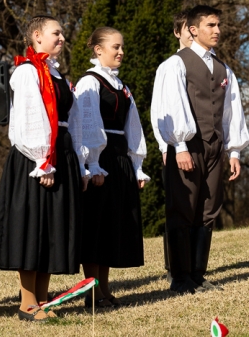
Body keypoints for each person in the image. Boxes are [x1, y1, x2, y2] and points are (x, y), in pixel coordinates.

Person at [0, 15, 88, 322]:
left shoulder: (57, 75)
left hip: (60, 153)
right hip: (36, 159)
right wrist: (41, 161)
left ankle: (44, 298)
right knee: (31, 227)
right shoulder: (27, 72)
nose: (61, 37)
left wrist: (80, 162)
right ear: (36, 35)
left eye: (62, 33)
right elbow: (31, 117)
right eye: (55, 33)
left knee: (52, 227)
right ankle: (27, 302)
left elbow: (71, 120)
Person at [152, 5, 249, 294]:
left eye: (218, 25)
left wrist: (234, 151)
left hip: (214, 147)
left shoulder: (223, 68)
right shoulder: (175, 64)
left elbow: (232, 111)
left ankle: (197, 274)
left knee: (208, 209)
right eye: (210, 25)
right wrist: (179, 146)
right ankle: (180, 277)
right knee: (183, 208)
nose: (217, 30)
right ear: (193, 30)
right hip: (187, 145)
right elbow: (170, 107)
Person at [75, 27, 150, 308]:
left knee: (110, 226)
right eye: (115, 47)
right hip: (100, 161)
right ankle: (91, 292)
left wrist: (137, 164)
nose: (121, 52)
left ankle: (103, 288)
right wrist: (92, 164)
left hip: (119, 161)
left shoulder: (121, 86)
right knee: (96, 226)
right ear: (98, 50)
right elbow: (87, 125)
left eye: (122, 47)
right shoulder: (89, 83)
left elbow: (133, 127)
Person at [152, 10, 192, 282]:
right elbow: (160, 110)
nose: (193, 33)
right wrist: (167, 147)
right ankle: (175, 269)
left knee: (199, 209)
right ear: (178, 32)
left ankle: (194, 267)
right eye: (188, 28)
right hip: (177, 145)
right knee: (178, 207)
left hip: (202, 147)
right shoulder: (170, 66)